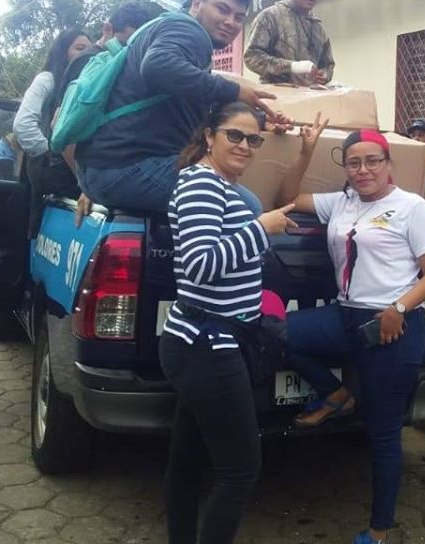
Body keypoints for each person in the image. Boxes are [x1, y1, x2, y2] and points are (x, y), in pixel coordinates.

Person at [278, 119, 425, 544]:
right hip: (346, 314)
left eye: (372, 161)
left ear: (389, 163)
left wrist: (398, 308)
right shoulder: (342, 202)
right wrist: (305, 151)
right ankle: (336, 394)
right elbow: (287, 199)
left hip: (394, 325)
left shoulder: (411, 207)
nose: (363, 170)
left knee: (382, 430)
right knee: (277, 333)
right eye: (354, 163)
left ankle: (380, 528)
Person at [159, 102, 296, 544]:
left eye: (253, 139)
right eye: (234, 135)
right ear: (209, 136)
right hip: (206, 344)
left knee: (187, 458)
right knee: (240, 470)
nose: (245, 145)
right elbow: (199, 265)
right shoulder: (203, 185)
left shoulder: (217, 183)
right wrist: (261, 228)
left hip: (204, 339)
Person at [75, 0, 286, 215]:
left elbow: (190, 101)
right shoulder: (187, 30)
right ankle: (201, 255)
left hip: (102, 171)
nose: (230, 22)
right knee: (246, 208)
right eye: (222, 9)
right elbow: (158, 66)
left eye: (238, 17)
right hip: (130, 169)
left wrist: (259, 120)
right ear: (197, 3)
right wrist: (235, 90)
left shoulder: (164, 28)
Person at [13, 28, 91, 232]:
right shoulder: (47, 79)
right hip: (53, 170)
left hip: (75, 169)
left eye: (89, 50)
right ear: (63, 52)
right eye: (79, 48)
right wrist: (50, 151)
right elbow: (23, 124)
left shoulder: (87, 86)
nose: (85, 55)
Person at [243, 0, 336, 85]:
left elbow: (328, 64)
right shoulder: (271, 16)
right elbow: (252, 57)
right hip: (277, 97)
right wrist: (291, 67)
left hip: (311, 97)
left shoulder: (317, 27)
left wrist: (325, 74)